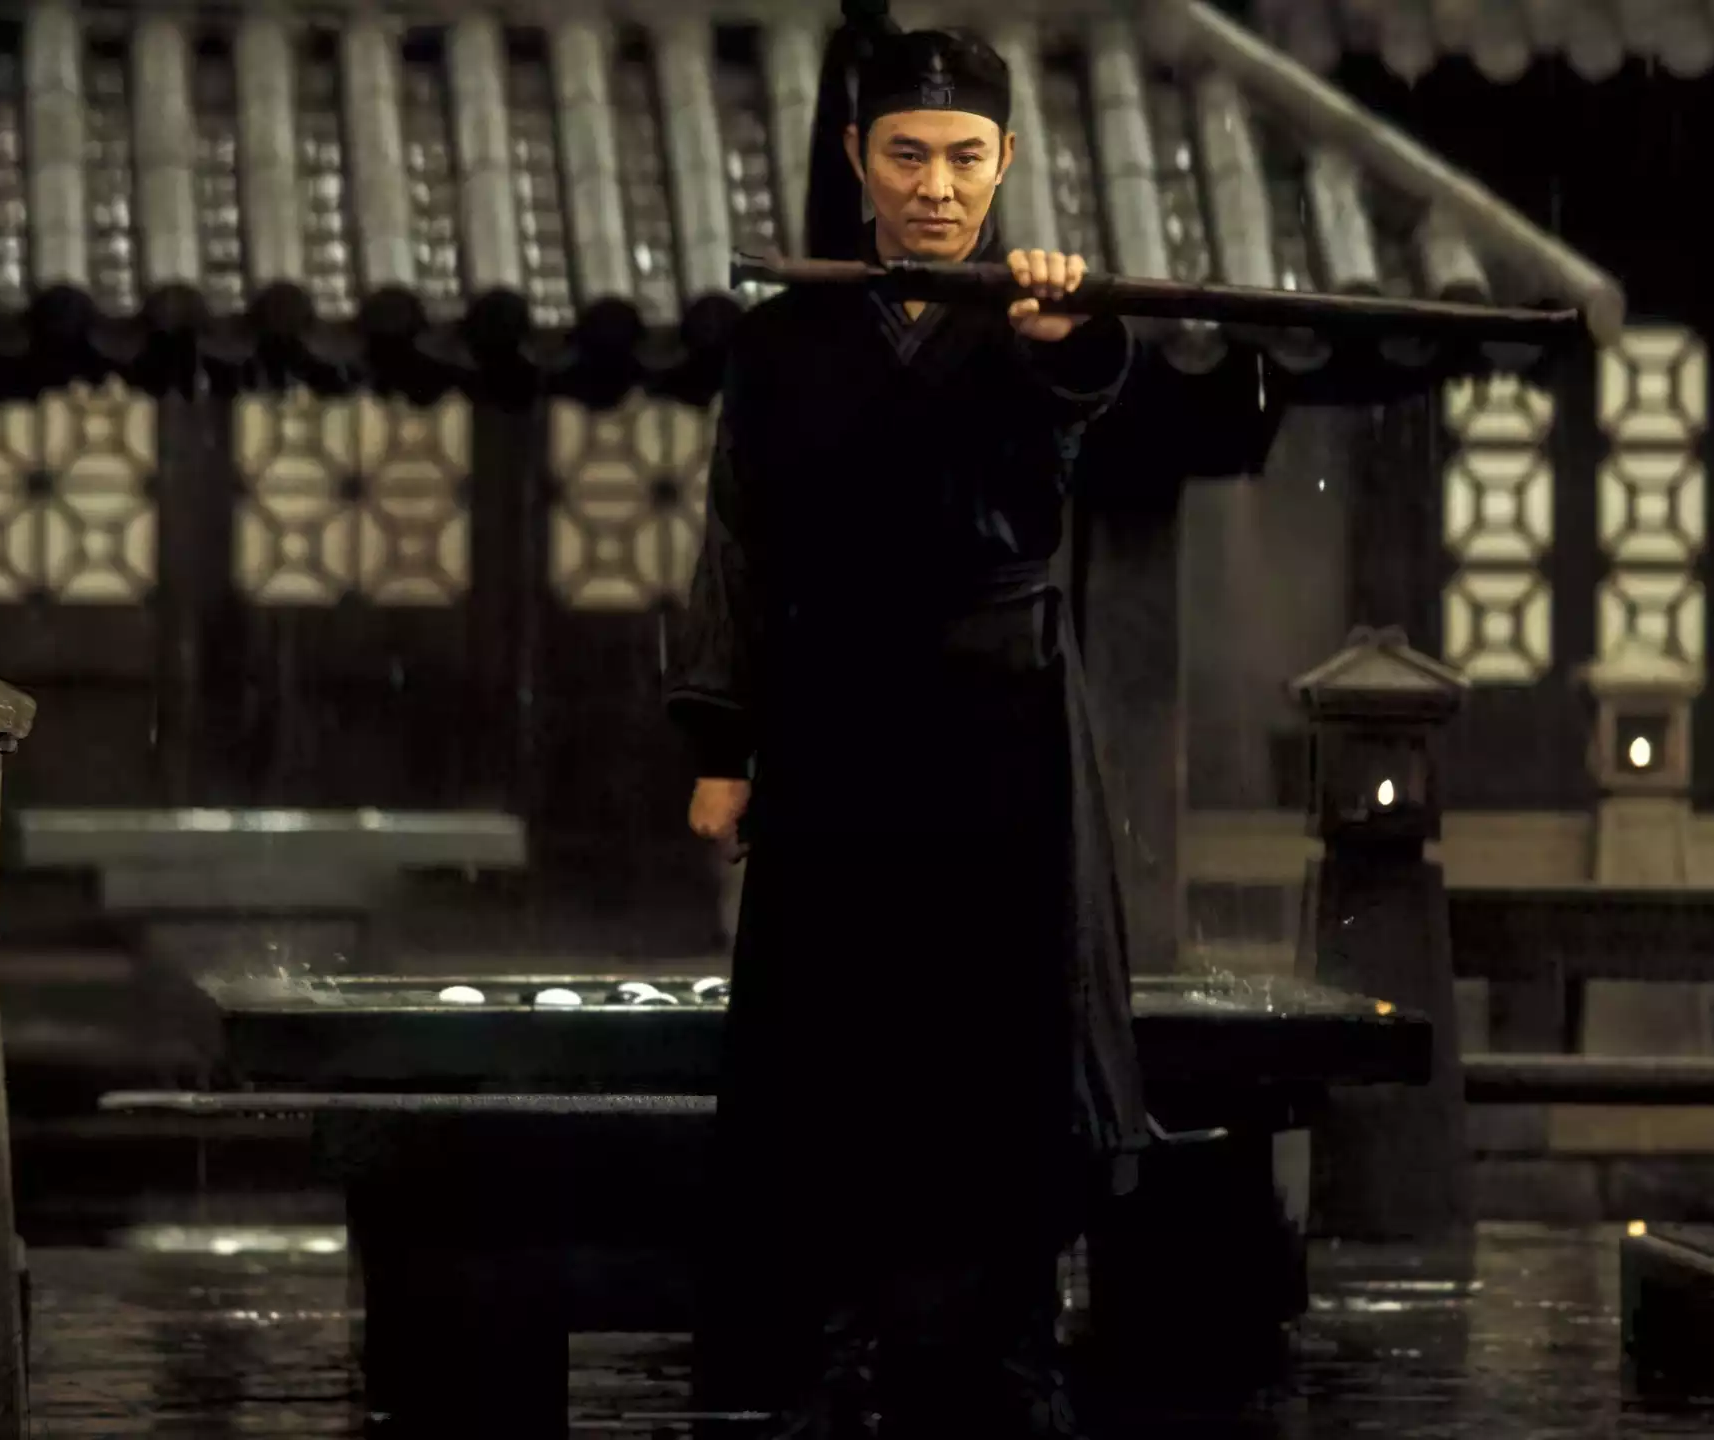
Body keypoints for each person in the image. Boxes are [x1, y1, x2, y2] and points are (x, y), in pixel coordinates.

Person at [665, 5, 1147, 1436]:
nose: (936, 187)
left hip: (1002, 727)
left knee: (1000, 1035)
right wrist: (720, 744)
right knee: (831, 1034)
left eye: (964, 157)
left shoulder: (1039, 322)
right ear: (857, 158)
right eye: (907, 155)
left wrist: (1065, 336)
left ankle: (1008, 1348)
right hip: (835, 720)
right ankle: (830, 1351)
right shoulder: (782, 342)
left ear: (1005, 163)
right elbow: (736, 544)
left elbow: (1077, 419)